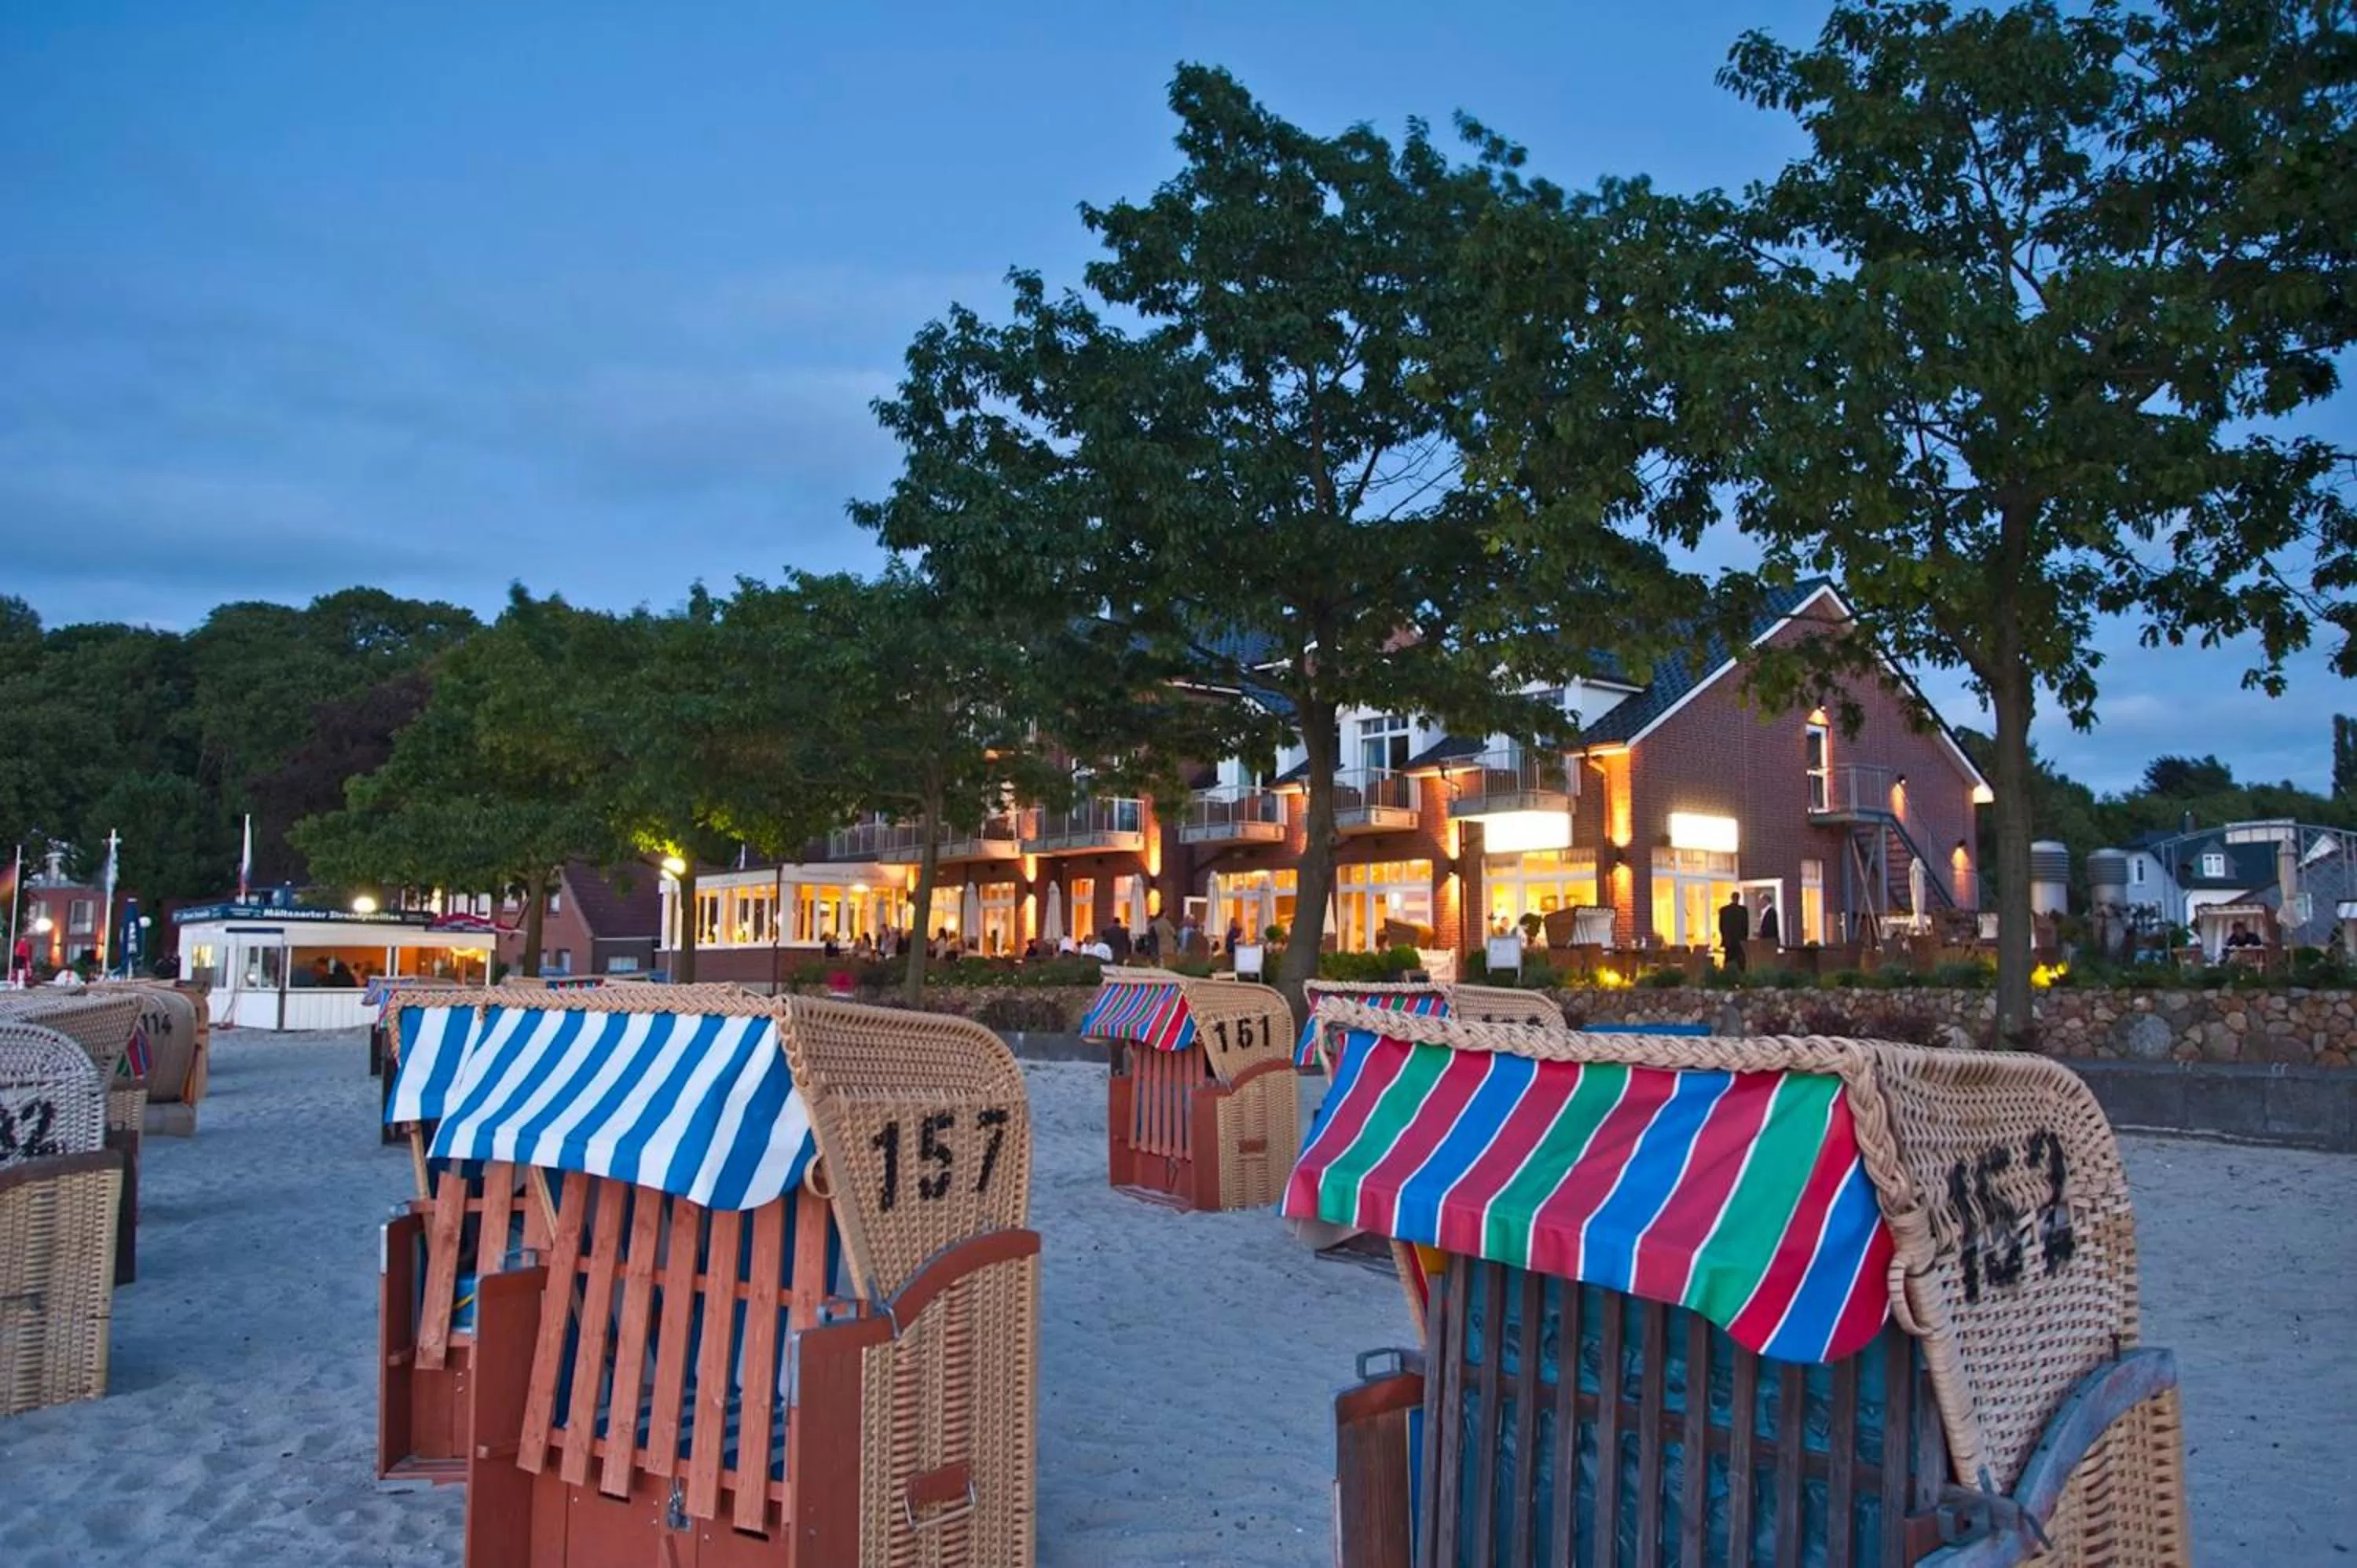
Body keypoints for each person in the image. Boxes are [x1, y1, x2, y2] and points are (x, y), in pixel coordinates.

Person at [1718, 892, 1750, 973]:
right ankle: (1740, 978)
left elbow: (1721, 927)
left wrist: (1724, 937)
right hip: (1740, 941)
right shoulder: (1743, 910)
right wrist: (1745, 938)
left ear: (1731, 898)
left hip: (1729, 941)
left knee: (1728, 960)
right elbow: (1746, 927)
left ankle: (1728, 977)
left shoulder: (1724, 910)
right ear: (1738, 899)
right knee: (1740, 962)